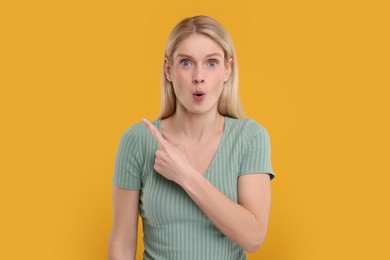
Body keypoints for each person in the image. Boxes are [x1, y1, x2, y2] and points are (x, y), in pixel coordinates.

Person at [108, 15, 275, 260]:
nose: (199, 76)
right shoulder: (137, 141)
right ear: (169, 70)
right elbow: (122, 243)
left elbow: (253, 237)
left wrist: (185, 174)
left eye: (211, 63)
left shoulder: (250, 138)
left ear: (227, 69)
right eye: (186, 63)